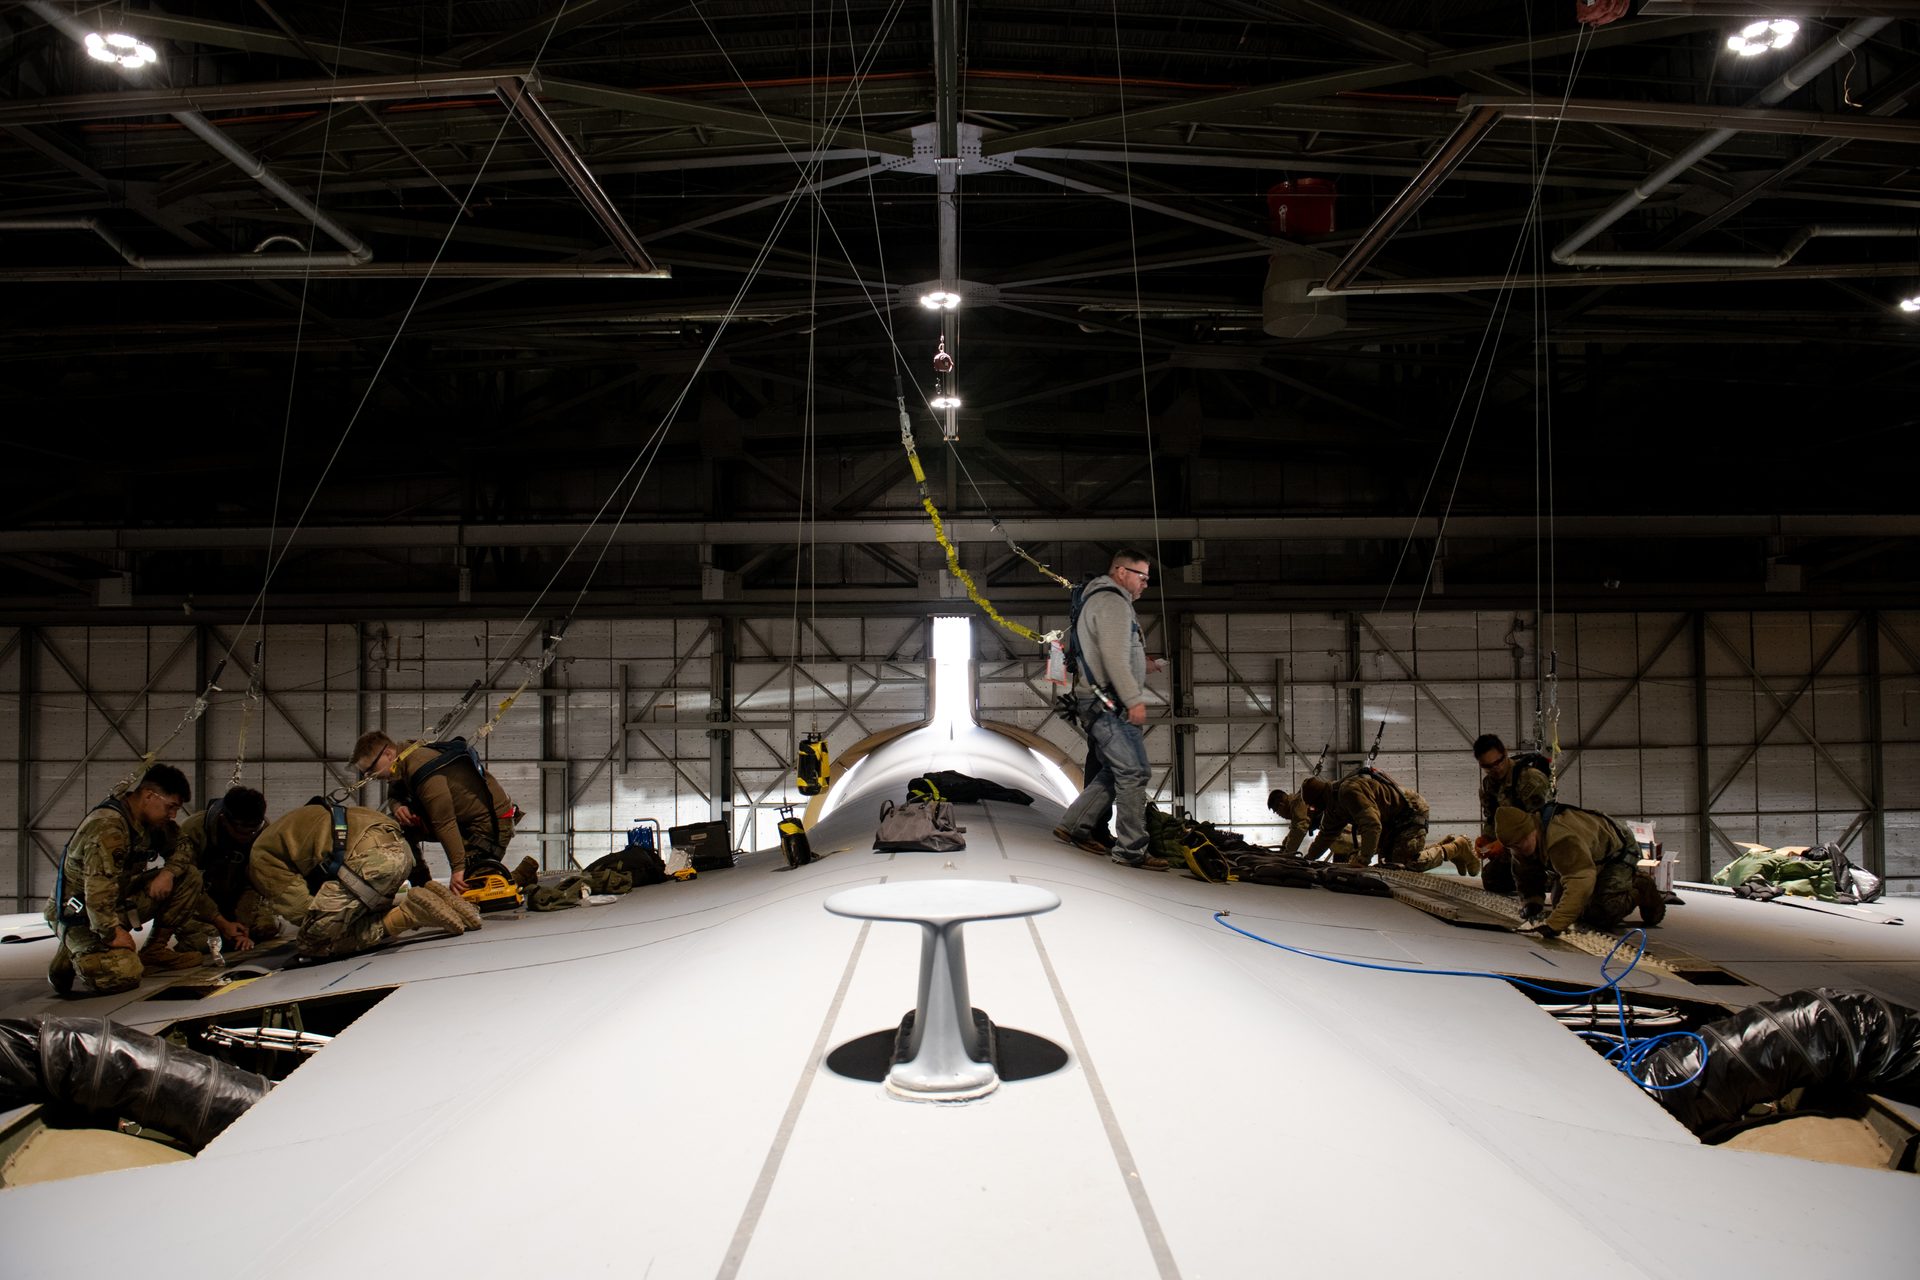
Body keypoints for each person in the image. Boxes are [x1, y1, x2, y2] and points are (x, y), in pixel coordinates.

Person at [44, 764, 210, 996]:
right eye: (170, 807)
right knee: (124, 975)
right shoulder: (108, 829)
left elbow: (182, 846)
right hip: (79, 915)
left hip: (115, 901)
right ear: (149, 797)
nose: (173, 815)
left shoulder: (150, 822)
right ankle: (74, 954)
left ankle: (155, 950)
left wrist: (168, 873)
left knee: (189, 876)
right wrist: (112, 933)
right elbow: (97, 893)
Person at [249, 801, 479, 962]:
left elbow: (303, 911)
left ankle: (408, 914)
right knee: (355, 904)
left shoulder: (259, 859)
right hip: (400, 853)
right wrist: (421, 880)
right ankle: (434, 896)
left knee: (313, 943)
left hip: (371, 864)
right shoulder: (302, 820)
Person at [1054, 549, 1168, 871]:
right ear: (1121, 572)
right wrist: (1134, 699)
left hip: (1103, 701)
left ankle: (1074, 826)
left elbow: (1114, 652)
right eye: (1141, 576)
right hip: (1110, 705)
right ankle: (1132, 850)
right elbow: (1115, 659)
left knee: (1115, 769)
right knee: (1134, 772)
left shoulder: (1105, 601)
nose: (1146, 584)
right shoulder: (1113, 603)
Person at [349, 731, 516, 893]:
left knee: (474, 890)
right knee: (393, 827)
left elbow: (444, 822)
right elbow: (394, 794)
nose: (372, 776)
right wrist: (398, 806)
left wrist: (457, 869)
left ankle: (523, 874)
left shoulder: (420, 766)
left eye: (371, 769)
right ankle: (425, 889)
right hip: (463, 822)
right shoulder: (403, 760)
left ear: (387, 754)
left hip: (488, 826)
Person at [1496, 803, 1664, 937]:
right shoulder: (1522, 843)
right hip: (1585, 858)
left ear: (1532, 831)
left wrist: (1553, 926)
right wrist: (1532, 901)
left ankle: (1641, 887)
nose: (1518, 850)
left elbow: (1580, 881)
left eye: (1520, 843)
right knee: (1563, 907)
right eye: (1512, 847)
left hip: (1616, 852)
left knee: (1602, 914)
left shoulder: (1561, 838)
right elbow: (1525, 875)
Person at [1301, 772, 1480, 875]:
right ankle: (1444, 847)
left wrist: (1363, 860)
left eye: (1312, 805)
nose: (1313, 809)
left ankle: (1456, 848)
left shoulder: (1348, 792)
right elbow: (1325, 836)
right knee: (1388, 867)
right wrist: (1307, 860)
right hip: (1391, 821)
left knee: (1404, 865)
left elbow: (1372, 825)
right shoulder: (1332, 807)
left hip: (1410, 812)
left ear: (1319, 798)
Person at [178, 785, 275, 952]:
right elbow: (186, 886)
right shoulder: (192, 831)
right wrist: (221, 922)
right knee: (210, 940)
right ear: (224, 820)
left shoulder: (264, 830)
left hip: (235, 900)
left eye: (255, 830)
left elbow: (253, 884)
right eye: (243, 831)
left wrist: (243, 928)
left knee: (266, 927)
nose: (249, 837)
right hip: (197, 903)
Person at [1472, 734, 1553, 895]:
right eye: (1487, 766)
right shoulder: (1488, 785)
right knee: (1491, 879)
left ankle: (1551, 879)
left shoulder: (1530, 779)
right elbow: (1491, 818)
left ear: (1506, 753)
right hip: (1515, 850)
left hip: (1539, 848)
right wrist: (1486, 840)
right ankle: (1529, 878)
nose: (1495, 770)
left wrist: (1503, 845)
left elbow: (1542, 825)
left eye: (1498, 762)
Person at [1267, 786, 1356, 860]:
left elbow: (1299, 830)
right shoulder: (1297, 804)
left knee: (1342, 850)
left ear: (1281, 805)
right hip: (1341, 829)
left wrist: (1286, 856)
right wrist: (1283, 850)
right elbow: (1293, 832)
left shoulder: (1298, 802)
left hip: (1345, 831)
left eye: (1277, 812)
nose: (1279, 815)